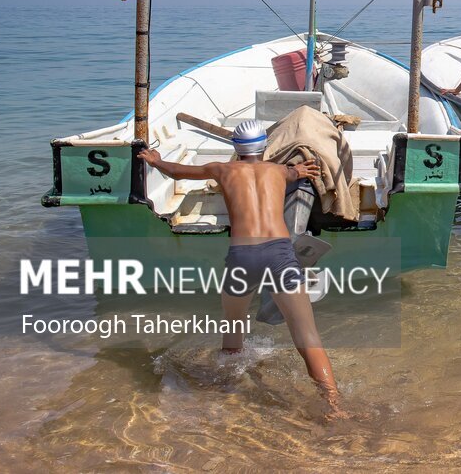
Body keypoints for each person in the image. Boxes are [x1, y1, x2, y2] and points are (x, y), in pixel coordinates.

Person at [138, 120, 340, 408]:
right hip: (280, 255)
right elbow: (296, 172)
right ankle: (333, 404)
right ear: (264, 147)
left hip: (242, 257)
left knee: (233, 328)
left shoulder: (222, 169)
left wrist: (156, 161)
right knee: (307, 337)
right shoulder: (279, 171)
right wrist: (302, 171)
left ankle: (227, 394)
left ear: (236, 147)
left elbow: (178, 171)